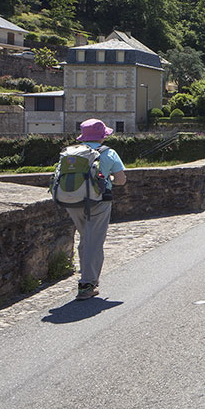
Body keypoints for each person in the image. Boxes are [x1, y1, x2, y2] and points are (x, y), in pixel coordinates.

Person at [65, 119, 126, 301]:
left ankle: (86, 274)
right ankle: (87, 284)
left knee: (86, 238)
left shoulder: (70, 152)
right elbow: (121, 180)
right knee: (94, 241)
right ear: (102, 136)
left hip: (72, 201)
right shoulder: (108, 153)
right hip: (98, 202)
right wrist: (108, 179)